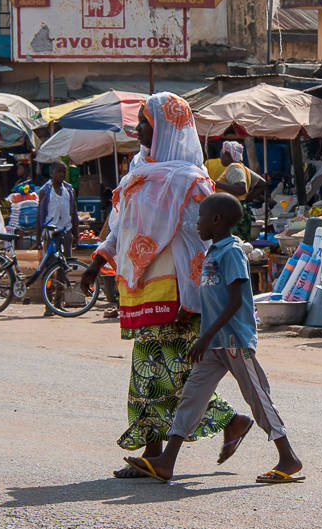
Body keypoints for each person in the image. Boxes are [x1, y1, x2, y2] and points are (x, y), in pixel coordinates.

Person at [81, 92, 251, 479]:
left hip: (177, 292)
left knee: (174, 373)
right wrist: (95, 263)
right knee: (145, 371)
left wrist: (195, 298)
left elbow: (202, 245)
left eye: (145, 123)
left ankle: (228, 421)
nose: (138, 129)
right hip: (139, 289)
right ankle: (155, 451)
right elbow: (121, 228)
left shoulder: (191, 181)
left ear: (166, 130)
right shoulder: (137, 173)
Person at [123, 193, 303, 484]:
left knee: (258, 398)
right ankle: (167, 461)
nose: (197, 224)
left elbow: (235, 301)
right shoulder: (213, 252)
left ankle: (288, 457)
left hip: (233, 342)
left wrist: (204, 337)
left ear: (217, 220)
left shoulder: (231, 252)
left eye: (201, 217)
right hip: (214, 345)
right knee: (192, 397)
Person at [36, 162, 79, 254]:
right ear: (52, 172)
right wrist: (38, 238)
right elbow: (40, 214)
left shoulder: (69, 190)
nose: (62, 174)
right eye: (59, 171)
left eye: (64, 172)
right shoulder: (45, 190)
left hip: (66, 231)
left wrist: (76, 234)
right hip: (51, 233)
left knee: (67, 263)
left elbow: (74, 213)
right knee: (50, 264)